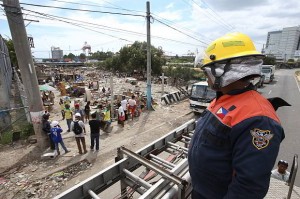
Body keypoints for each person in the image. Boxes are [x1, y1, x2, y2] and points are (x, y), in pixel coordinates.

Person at [188, 33, 288, 198]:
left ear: (225, 70)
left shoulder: (259, 119)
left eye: (208, 71)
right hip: (201, 191)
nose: (206, 76)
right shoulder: (223, 98)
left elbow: (249, 187)